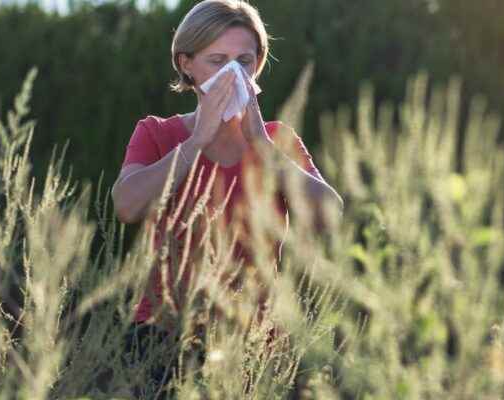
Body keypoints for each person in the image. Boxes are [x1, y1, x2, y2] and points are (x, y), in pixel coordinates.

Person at [112, 0, 343, 330]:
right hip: (162, 338)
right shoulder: (157, 133)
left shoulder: (277, 140)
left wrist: (262, 144)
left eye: (243, 62)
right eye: (217, 61)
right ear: (187, 64)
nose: (231, 73)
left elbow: (331, 216)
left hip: (252, 342)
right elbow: (126, 206)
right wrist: (195, 143)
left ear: (257, 65)